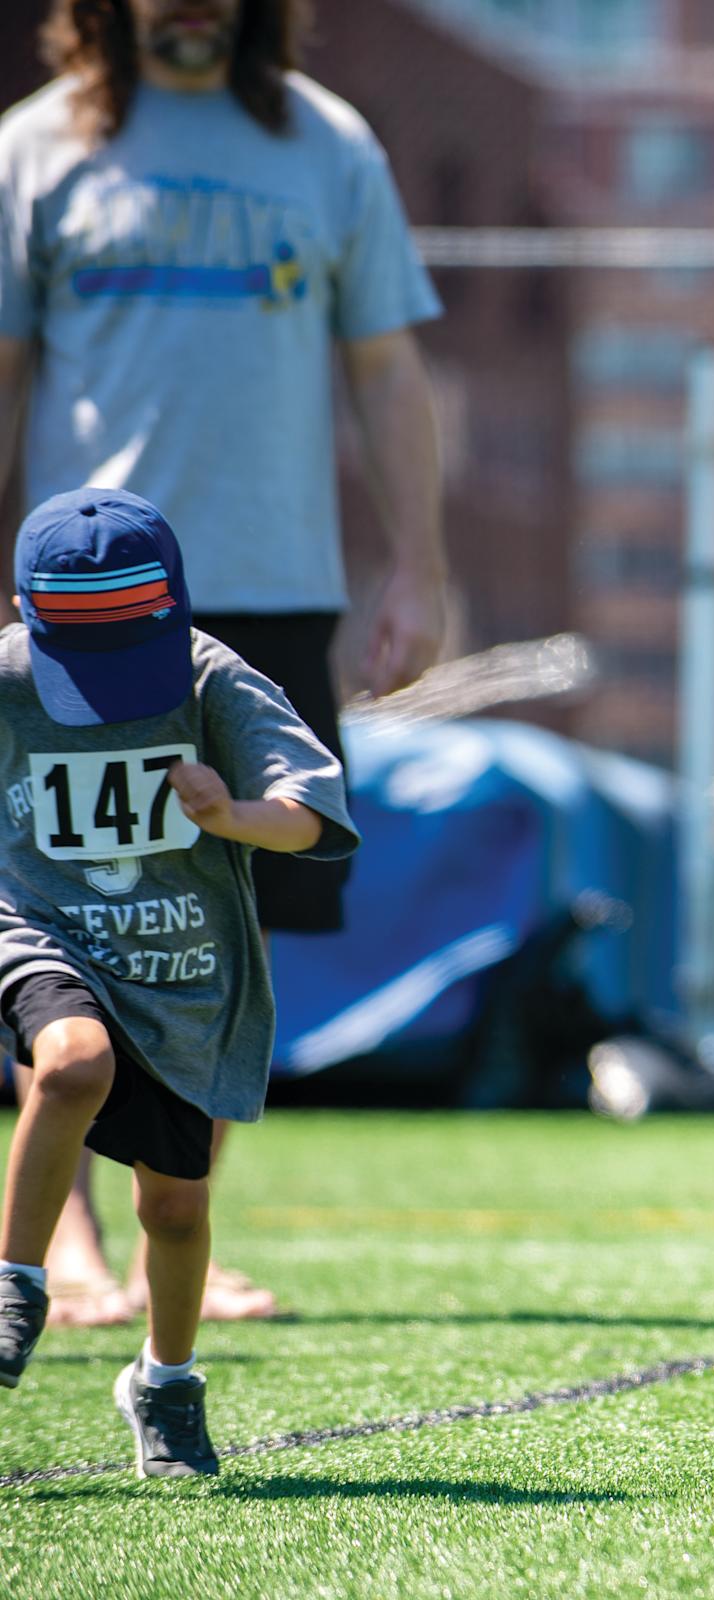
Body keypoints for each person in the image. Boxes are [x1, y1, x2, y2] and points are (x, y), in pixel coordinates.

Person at [0, 0, 444, 1325]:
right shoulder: (34, 148)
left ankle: (167, 1234)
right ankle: (64, 1247)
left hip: (270, 586)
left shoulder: (328, 144)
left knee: (226, 917)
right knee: (55, 904)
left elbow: (386, 367)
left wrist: (418, 562)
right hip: (79, 613)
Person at [0, 489, 357, 1476]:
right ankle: (15, 1282)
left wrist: (233, 814)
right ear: (27, 616)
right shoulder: (8, 675)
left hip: (178, 970)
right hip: (39, 927)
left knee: (176, 1211)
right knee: (72, 1063)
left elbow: (310, 810)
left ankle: (165, 1380)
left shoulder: (209, 676)